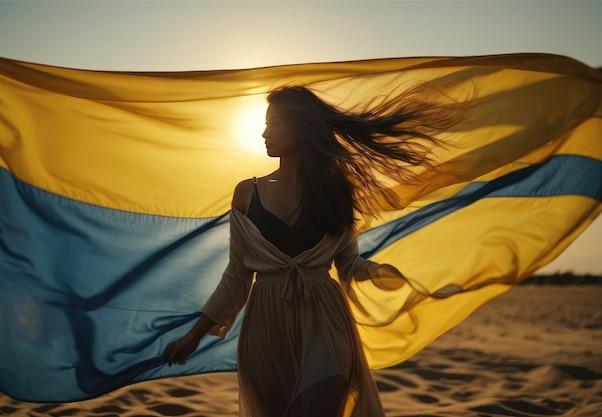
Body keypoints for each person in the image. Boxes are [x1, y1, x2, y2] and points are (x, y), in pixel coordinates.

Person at [163, 85, 470, 417]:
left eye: (276, 123)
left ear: (302, 127)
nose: (265, 133)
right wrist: (194, 335)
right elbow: (237, 275)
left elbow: (349, 263)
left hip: (325, 318)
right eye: (266, 123)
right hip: (266, 327)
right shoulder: (246, 193)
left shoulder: (336, 191)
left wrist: (386, 274)